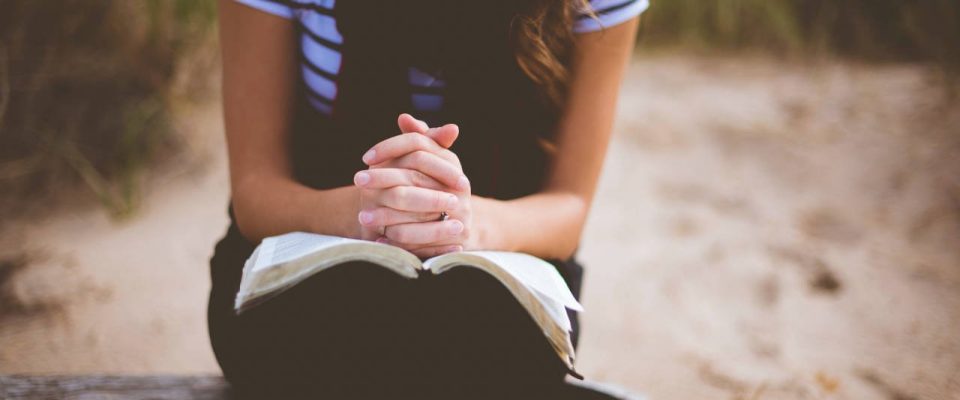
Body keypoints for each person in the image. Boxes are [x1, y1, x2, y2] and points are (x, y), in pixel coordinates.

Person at [207, 0, 645, 398]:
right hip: (310, 258)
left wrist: (462, 223)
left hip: (498, 273)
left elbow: (569, 204)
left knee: (493, 356)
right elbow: (255, 190)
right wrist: (367, 214)